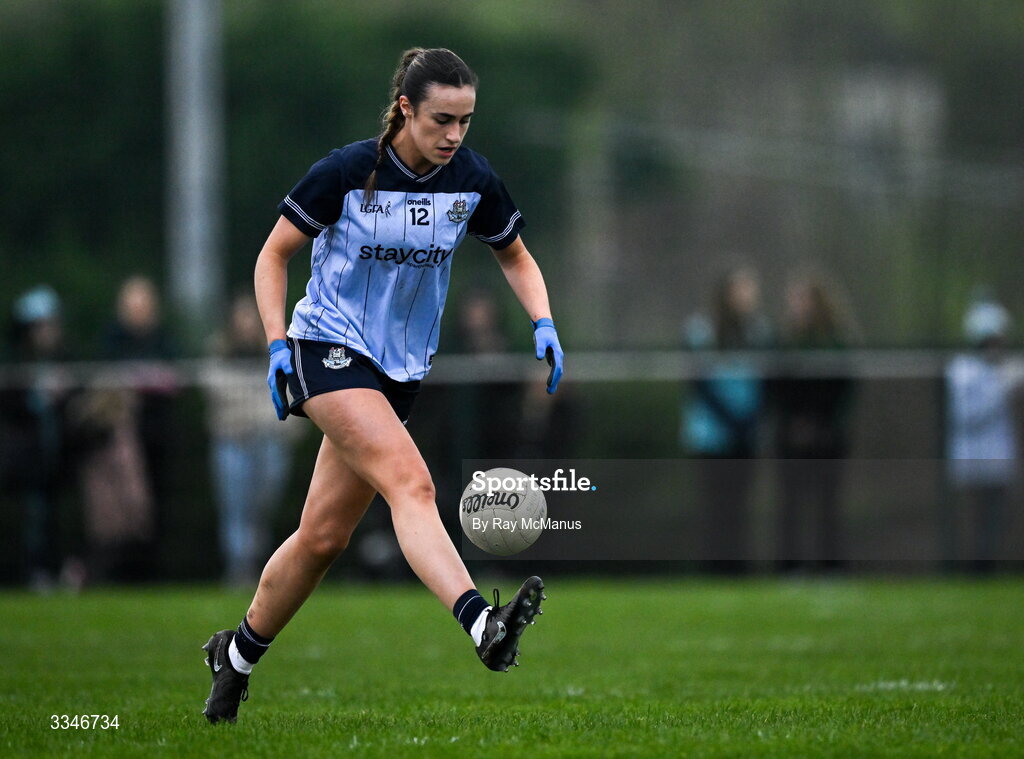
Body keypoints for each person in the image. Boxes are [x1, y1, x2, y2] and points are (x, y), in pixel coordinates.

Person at [202, 48, 561, 724]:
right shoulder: (344, 172)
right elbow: (273, 254)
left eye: (466, 120)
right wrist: (278, 342)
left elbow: (514, 253)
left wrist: (542, 320)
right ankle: (483, 625)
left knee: (322, 538)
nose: (454, 135)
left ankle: (237, 656)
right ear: (405, 108)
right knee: (412, 483)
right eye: (441, 120)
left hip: (398, 372)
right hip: (326, 349)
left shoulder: (471, 178)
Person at [202, 293, 298, 586]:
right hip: (232, 441)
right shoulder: (217, 354)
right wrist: (256, 411)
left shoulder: (275, 351)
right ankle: (239, 569)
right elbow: (216, 392)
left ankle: (261, 566)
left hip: (269, 441)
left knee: (262, 506)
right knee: (236, 506)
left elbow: (287, 394)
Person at [681, 267, 771, 573]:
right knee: (714, 506)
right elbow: (699, 382)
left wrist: (749, 420)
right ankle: (714, 567)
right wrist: (729, 418)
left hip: (746, 432)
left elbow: (767, 381)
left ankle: (739, 567)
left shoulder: (758, 332)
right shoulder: (701, 330)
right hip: (711, 434)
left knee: (740, 506)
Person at [769, 272, 856, 574]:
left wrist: (820, 423)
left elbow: (843, 388)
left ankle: (830, 565)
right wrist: (795, 423)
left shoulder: (836, 342)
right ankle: (790, 566)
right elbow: (777, 389)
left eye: (803, 299)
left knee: (828, 504)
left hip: (828, 434)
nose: (797, 306)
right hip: (791, 436)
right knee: (790, 503)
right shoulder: (784, 343)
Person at [944, 294, 1021, 573]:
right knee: (970, 520)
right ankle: (970, 569)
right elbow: (966, 416)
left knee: (998, 518)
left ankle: (990, 566)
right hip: (971, 459)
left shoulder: (1010, 369)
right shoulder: (963, 370)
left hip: (1000, 460)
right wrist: (1002, 390)